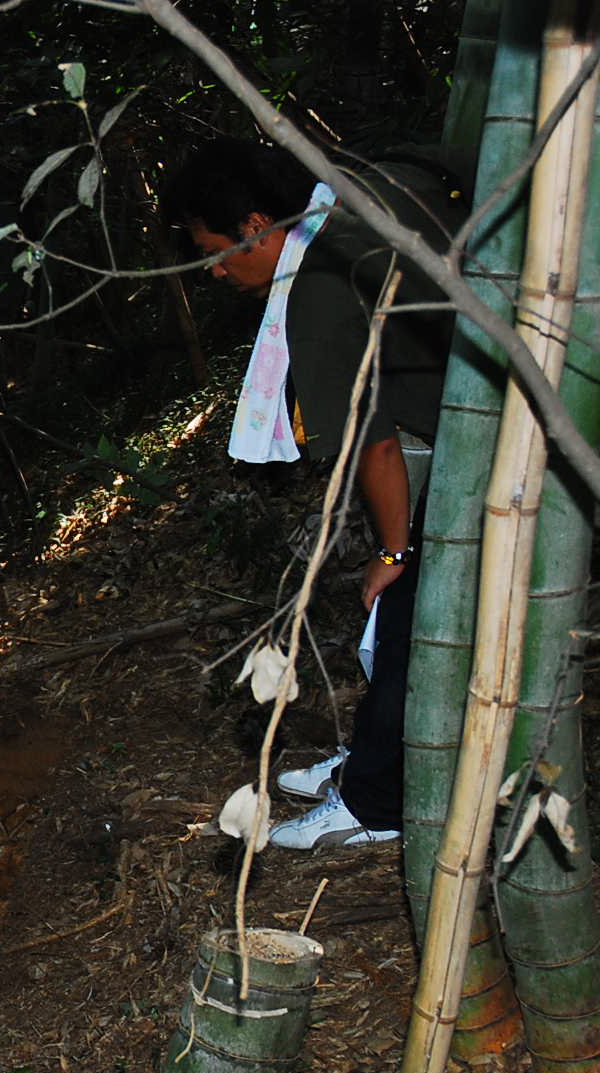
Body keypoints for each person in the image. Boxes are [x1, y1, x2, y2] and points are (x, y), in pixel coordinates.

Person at [163, 138, 464, 849]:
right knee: (401, 621)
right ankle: (372, 757)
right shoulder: (363, 190)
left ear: (256, 224)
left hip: (499, 431)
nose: (215, 271)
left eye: (216, 253)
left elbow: (373, 444)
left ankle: (376, 803)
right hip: (475, 400)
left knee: (408, 619)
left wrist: (394, 552)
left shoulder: (321, 288)